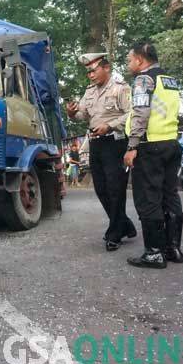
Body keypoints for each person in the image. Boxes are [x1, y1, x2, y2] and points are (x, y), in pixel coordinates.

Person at [66, 52, 137, 251]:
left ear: (106, 68)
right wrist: (72, 113)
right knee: (101, 189)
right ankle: (125, 224)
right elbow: (82, 114)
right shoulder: (89, 91)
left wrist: (111, 125)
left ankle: (114, 233)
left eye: (93, 70)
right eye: (88, 72)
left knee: (115, 189)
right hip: (96, 144)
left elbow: (133, 114)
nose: (90, 75)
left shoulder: (121, 89)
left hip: (115, 143)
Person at [123, 41, 183, 269]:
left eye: (130, 59)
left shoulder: (143, 79)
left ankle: (154, 253)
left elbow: (140, 113)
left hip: (150, 147)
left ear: (140, 59)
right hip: (171, 143)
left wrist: (132, 146)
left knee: (148, 198)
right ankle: (173, 249)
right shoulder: (169, 81)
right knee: (170, 196)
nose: (128, 63)